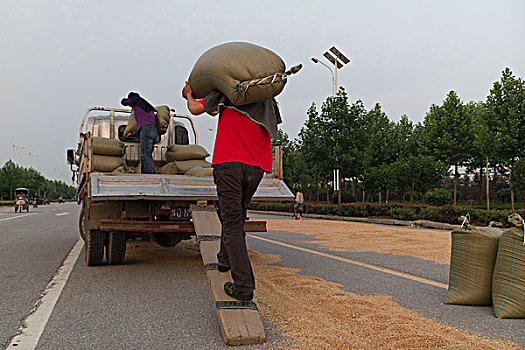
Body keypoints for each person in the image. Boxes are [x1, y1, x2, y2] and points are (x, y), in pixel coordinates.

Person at [182, 81, 281, 302]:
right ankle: (224, 258)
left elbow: (195, 109)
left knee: (232, 221)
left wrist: (189, 95)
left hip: (229, 163)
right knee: (236, 214)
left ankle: (243, 286)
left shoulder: (230, 89)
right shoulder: (267, 97)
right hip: (257, 166)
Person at [121, 92, 158, 174]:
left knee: (145, 155)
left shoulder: (136, 100)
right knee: (148, 154)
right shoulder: (146, 107)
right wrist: (132, 133)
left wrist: (129, 100)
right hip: (153, 131)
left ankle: (150, 175)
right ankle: (146, 173)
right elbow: (140, 125)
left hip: (147, 131)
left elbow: (123, 102)